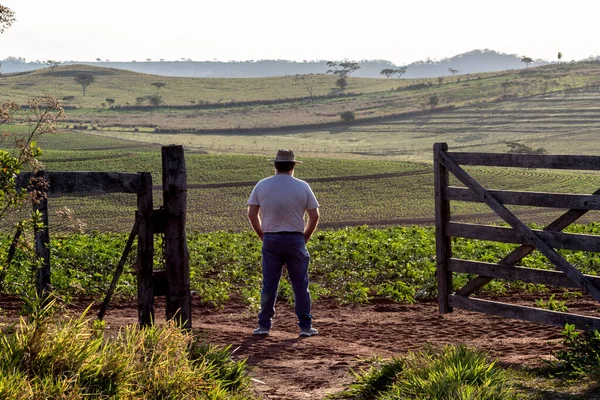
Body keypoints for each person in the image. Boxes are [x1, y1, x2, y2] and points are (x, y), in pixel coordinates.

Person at [247, 149, 320, 337]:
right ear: (293, 166)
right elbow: (314, 215)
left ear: (275, 165)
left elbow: (252, 214)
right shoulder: (302, 186)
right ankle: (305, 326)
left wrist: (262, 234)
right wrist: (305, 237)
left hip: (271, 238)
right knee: (300, 285)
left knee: (269, 284)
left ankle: (264, 325)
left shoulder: (262, 185)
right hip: (296, 239)